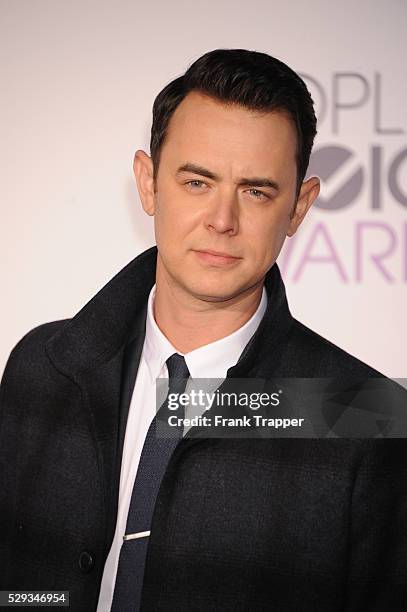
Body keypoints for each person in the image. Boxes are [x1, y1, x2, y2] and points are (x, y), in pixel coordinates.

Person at [1, 48, 406, 612]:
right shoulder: (39, 367)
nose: (222, 219)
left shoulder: (368, 415)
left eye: (256, 191)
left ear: (299, 207)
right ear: (148, 183)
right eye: (197, 182)